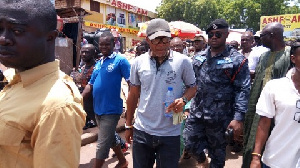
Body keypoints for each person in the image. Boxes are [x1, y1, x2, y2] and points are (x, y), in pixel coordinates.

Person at [0, 0, 86, 167]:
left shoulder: (57, 106)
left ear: (50, 38)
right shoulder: (14, 80)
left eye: (17, 30)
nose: (3, 39)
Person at [125, 18, 197, 168]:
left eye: (166, 41)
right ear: (148, 40)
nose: (162, 45)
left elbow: (193, 87)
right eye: (157, 41)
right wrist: (128, 125)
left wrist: (183, 100)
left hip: (171, 132)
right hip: (142, 130)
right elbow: (133, 95)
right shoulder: (138, 62)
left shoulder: (183, 62)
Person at [184, 19, 251, 167]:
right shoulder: (199, 57)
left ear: (226, 35)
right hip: (198, 111)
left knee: (218, 156)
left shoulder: (237, 60)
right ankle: (202, 161)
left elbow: (243, 89)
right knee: (189, 143)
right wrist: (187, 104)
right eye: (211, 34)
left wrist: (238, 118)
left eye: (218, 34)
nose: (214, 37)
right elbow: (192, 84)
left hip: (221, 116)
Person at [243, 22, 292, 168]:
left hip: (279, 111)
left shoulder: (290, 55)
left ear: (272, 36)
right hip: (258, 107)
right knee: (252, 142)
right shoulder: (263, 55)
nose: (260, 39)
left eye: (262, 36)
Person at [82, 31, 130, 168]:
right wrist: (78, 100)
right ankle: (122, 161)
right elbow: (90, 85)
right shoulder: (98, 63)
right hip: (98, 109)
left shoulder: (120, 60)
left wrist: (130, 108)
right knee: (110, 136)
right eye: (101, 44)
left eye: (107, 44)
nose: (103, 47)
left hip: (112, 109)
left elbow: (131, 84)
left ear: (113, 44)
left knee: (102, 142)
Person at [250, 40, 300, 168]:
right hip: (277, 160)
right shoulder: (275, 87)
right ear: (293, 59)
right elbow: (264, 123)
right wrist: (256, 157)